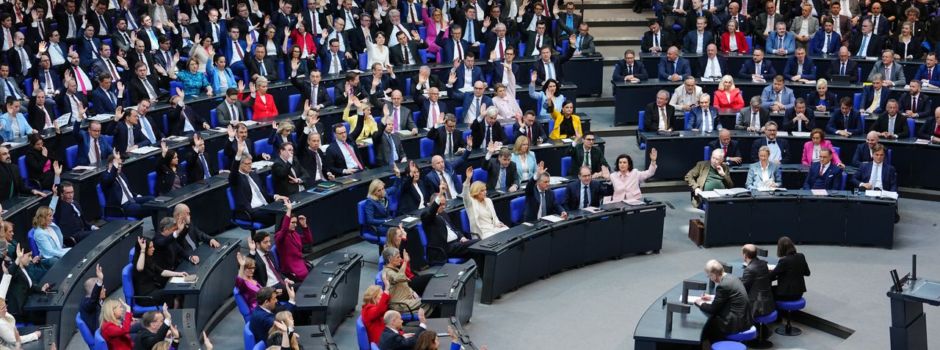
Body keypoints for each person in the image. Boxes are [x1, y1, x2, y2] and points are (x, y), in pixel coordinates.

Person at [693, 259, 751, 344]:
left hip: (736, 323)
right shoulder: (732, 277)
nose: (710, 278)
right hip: (745, 319)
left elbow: (712, 309)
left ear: (713, 275)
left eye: (709, 276)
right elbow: (729, 297)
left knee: (707, 327)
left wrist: (700, 303)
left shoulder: (723, 286)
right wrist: (711, 297)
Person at [100, 151, 155, 219]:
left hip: (132, 199)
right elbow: (110, 179)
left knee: (152, 200)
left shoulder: (121, 174)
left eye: (121, 164)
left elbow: (127, 190)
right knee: (147, 208)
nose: (120, 166)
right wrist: (115, 166)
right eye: (118, 164)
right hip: (122, 206)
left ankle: (159, 224)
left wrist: (136, 195)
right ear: (110, 164)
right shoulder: (104, 176)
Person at [462, 167, 509, 239]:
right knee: (496, 238)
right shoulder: (471, 203)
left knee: (507, 230)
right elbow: (465, 194)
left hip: (493, 228)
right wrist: (468, 179)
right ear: (476, 192)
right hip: (482, 232)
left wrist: (498, 223)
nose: (485, 192)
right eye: (482, 191)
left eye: (485, 190)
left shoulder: (488, 200)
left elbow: (495, 217)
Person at [274, 202, 314, 282]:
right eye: (292, 222)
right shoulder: (279, 236)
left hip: (300, 263)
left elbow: (308, 240)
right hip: (290, 268)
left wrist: (304, 226)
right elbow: (284, 229)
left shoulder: (294, 233)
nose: (295, 225)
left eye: (296, 223)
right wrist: (289, 210)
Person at [381, 247, 428, 314]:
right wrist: (405, 262)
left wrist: (412, 292)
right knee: (430, 301)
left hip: (407, 300)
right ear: (390, 259)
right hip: (401, 304)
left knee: (431, 300)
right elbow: (399, 277)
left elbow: (404, 283)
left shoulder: (394, 269)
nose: (400, 259)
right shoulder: (387, 272)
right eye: (398, 257)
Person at [770, 236, 810, 301]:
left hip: (787, 295)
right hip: (799, 293)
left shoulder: (784, 261)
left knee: (767, 291)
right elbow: (807, 273)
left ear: (781, 248)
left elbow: (771, 276)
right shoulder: (801, 256)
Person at [741, 244, 775, 320]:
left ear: (745, 255)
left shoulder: (749, 269)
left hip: (757, 308)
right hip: (769, 303)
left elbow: (743, 289)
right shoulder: (764, 264)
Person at [80, 264, 107, 334]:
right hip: (102, 333)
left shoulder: (97, 300)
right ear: (95, 291)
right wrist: (99, 281)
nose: (105, 289)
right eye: (102, 288)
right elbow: (93, 300)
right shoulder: (87, 304)